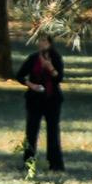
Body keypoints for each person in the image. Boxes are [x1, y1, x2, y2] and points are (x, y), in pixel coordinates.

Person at [20, 32, 65, 169]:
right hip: (34, 100)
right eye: (40, 41)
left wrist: (50, 68)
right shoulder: (33, 58)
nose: (42, 43)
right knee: (31, 132)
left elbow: (59, 78)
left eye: (45, 41)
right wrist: (32, 85)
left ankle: (55, 164)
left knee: (52, 132)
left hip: (52, 100)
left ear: (50, 43)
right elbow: (20, 76)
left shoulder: (56, 58)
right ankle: (29, 163)